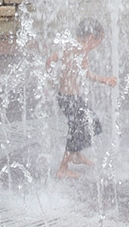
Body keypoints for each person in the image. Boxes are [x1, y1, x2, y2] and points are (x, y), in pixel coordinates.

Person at [46, 18, 117, 179]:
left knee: (93, 124)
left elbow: (84, 73)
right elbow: (50, 60)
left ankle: (76, 155)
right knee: (77, 129)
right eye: (98, 42)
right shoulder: (75, 48)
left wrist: (104, 80)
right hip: (68, 98)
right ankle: (63, 168)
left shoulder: (78, 48)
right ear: (91, 37)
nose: (97, 46)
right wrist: (51, 82)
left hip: (73, 97)